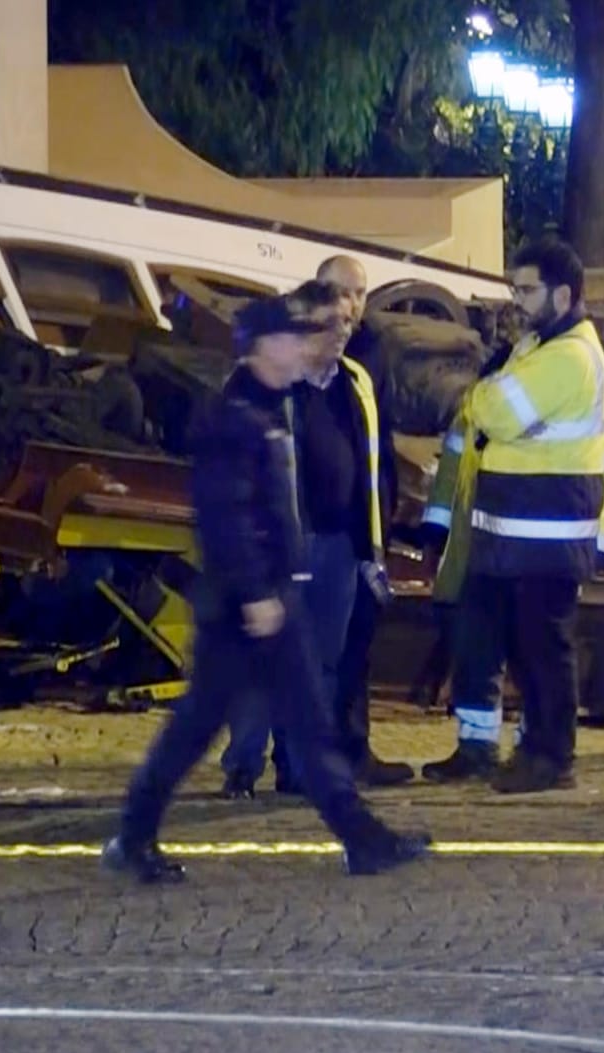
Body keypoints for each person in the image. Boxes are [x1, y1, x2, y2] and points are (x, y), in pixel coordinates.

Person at [101, 295, 429, 882]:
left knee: (301, 721)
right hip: (247, 606)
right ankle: (133, 835)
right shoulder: (236, 417)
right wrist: (256, 593)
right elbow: (226, 515)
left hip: (269, 598)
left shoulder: (264, 407)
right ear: (260, 348)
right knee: (203, 727)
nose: (300, 347)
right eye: (288, 339)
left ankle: (362, 838)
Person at [419, 239, 604, 793]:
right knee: (493, 640)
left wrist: (484, 396)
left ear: (563, 293)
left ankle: (551, 758)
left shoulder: (569, 356)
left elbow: (491, 410)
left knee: (542, 650)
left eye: (527, 289)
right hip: (514, 532)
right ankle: (496, 752)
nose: (517, 300)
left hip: (544, 533)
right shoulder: (538, 346)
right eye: (515, 288)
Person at [217, 276, 412, 795]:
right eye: (328, 325)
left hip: (338, 550)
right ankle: (243, 764)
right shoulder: (261, 384)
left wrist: (370, 548)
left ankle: (299, 767)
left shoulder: (355, 382)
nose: (341, 333)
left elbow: (373, 467)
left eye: (347, 322)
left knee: (321, 665)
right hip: (278, 551)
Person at [315, 255, 417, 788]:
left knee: (355, 642)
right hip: (320, 526)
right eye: (339, 292)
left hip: (363, 521)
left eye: (358, 293)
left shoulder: (372, 350)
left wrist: (385, 513)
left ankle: (352, 749)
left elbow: (381, 438)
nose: (350, 304)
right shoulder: (304, 346)